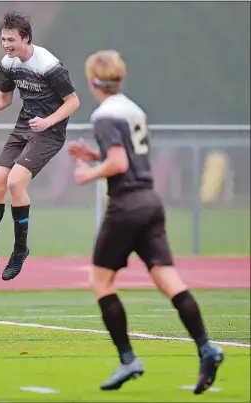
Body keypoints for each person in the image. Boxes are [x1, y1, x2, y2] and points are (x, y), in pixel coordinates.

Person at [68, 50, 224, 394]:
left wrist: (88, 173)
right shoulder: (134, 109)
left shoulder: (104, 115)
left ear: (94, 82)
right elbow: (133, 157)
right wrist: (97, 154)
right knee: (168, 280)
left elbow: (120, 163)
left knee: (100, 281)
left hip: (126, 205)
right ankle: (206, 347)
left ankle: (128, 359)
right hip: (151, 202)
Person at [0, 11, 79, 281]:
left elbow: (73, 102)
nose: (6, 44)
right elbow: (4, 100)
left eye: (11, 39)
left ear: (26, 38)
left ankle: (19, 250)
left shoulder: (48, 65)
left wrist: (47, 122)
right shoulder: (8, 63)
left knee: (15, 183)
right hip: (24, 128)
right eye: (3, 39)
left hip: (50, 132)